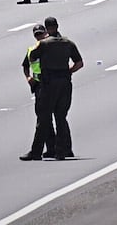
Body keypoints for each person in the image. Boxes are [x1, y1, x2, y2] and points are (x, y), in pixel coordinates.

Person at [23, 15, 83, 161]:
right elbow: (79, 63)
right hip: (65, 83)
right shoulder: (68, 43)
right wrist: (67, 71)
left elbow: (32, 58)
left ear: (47, 28)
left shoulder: (43, 44)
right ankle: (62, 151)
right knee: (61, 117)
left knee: (44, 118)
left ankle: (36, 152)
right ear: (57, 26)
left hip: (48, 84)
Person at [18, 23, 57, 160]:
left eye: (41, 33)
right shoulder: (32, 49)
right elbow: (25, 65)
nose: (39, 36)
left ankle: (38, 151)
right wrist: (29, 78)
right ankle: (52, 148)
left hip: (51, 85)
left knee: (45, 119)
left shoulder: (51, 46)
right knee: (44, 118)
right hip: (39, 86)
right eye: (37, 34)